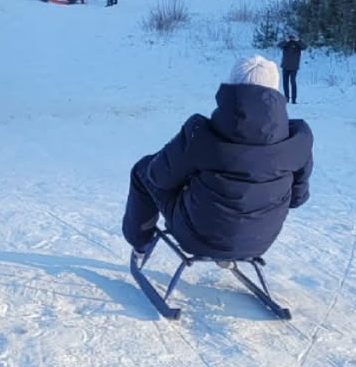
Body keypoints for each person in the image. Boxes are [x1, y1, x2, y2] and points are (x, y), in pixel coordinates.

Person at [123, 56, 313, 262]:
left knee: (142, 170)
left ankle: (140, 243)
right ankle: (233, 245)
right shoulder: (298, 140)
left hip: (196, 237)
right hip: (260, 241)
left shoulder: (199, 133)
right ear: (276, 91)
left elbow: (158, 176)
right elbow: (297, 198)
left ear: (230, 88)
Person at [279, 31, 304, 106]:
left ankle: (294, 99)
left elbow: (304, 47)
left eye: (293, 36)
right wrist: (285, 40)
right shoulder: (286, 43)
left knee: (293, 82)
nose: (291, 37)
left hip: (294, 66)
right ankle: (286, 98)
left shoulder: (298, 43)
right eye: (290, 36)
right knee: (285, 83)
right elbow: (279, 45)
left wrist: (298, 40)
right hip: (285, 65)